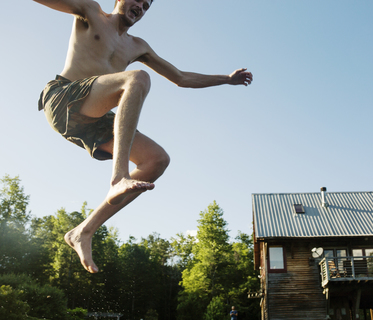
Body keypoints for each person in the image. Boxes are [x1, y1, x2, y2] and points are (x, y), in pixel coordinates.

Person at [33, 0, 253, 273]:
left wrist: (226, 79)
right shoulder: (90, 11)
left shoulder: (138, 46)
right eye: (136, 0)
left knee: (156, 160)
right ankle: (118, 176)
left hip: (92, 118)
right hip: (64, 98)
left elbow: (181, 77)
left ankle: (83, 231)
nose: (140, 6)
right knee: (137, 78)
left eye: (147, 6)